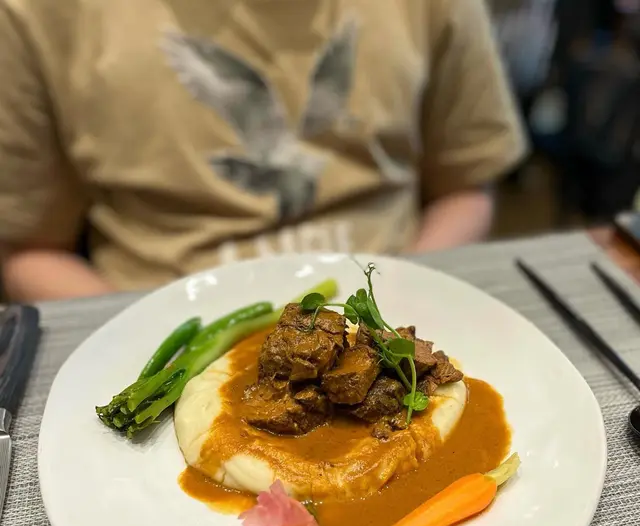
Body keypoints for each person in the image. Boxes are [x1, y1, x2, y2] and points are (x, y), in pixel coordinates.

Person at [0, 0, 527, 302]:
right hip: (163, 311)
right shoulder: (40, 14)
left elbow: (464, 185)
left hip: (390, 291)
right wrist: (148, 338)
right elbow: (29, 248)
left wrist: (396, 301)